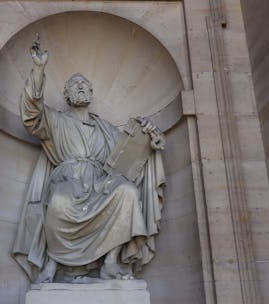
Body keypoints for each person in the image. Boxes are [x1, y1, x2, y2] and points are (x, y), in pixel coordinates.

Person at [12, 37, 166, 283]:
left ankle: (111, 263)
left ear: (91, 93)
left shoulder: (107, 129)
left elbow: (128, 159)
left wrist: (151, 141)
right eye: (75, 84)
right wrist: (39, 70)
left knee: (126, 191)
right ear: (66, 94)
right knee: (60, 201)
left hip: (100, 183)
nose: (81, 87)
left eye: (85, 84)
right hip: (68, 178)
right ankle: (52, 263)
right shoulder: (55, 121)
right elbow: (31, 115)